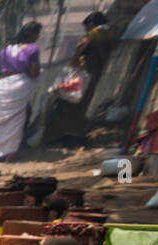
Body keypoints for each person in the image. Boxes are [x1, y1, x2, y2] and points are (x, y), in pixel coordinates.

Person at [43, 11, 115, 147]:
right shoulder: (109, 35)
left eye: (86, 27)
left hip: (83, 74)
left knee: (64, 103)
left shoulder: (93, 34)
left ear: (92, 24)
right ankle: (77, 135)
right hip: (95, 75)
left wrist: (72, 66)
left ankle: (61, 137)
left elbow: (79, 50)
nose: (86, 30)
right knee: (82, 105)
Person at [0, 21, 42, 163]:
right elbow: (34, 72)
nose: (37, 37)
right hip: (20, 85)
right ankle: (8, 153)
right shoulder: (32, 49)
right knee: (15, 120)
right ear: (30, 34)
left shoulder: (5, 50)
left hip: (2, 85)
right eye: (37, 33)